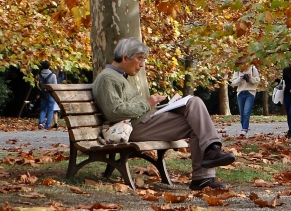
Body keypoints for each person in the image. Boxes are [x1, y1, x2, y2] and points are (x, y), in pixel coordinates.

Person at [93, 38, 234, 190]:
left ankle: (210, 156)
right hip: (133, 128)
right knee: (196, 116)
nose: (142, 64)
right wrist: (148, 104)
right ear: (125, 57)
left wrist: (165, 106)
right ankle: (208, 163)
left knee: (194, 103)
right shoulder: (107, 78)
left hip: (144, 122)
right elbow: (113, 112)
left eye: (143, 59)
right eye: (139, 58)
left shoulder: (120, 77)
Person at [229, 58, 261, 137]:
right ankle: (244, 128)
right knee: (242, 113)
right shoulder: (237, 70)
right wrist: (240, 79)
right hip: (240, 93)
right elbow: (234, 83)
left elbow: (257, 81)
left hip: (250, 92)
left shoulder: (253, 69)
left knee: (246, 112)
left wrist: (250, 78)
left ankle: (244, 129)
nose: (244, 64)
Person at [37, 61, 59, 130]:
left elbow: (38, 84)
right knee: (50, 110)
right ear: (49, 66)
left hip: (43, 93)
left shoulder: (39, 75)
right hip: (50, 94)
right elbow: (55, 86)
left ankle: (41, 122)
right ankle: (47, 125)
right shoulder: (53, 75)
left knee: (43, 109)